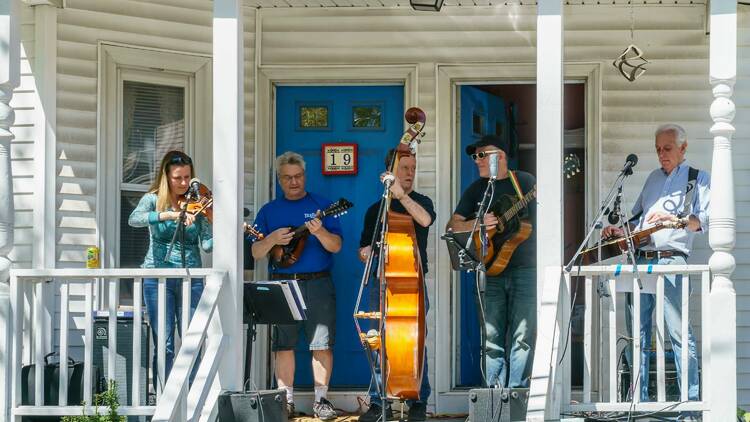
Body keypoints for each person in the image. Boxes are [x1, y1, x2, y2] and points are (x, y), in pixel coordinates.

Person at [602, 124, 709, 404]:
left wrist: (671, 220)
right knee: (637, 335)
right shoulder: (651, 179)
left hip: (672, 261)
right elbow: (637, 221)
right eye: (658, 149)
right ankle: (638, 403)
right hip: (642, 260)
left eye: (668, 148)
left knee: (679, 335)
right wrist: (620, 231)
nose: (662, 154)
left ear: (683, 148)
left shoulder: (697, 179)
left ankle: (689, 406)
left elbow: (701, 223)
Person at [251, 151, 342, 420]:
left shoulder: (322, 206)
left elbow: (336, 246)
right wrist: (272, 240)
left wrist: (320, 231)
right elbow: (256, 252)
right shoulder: (269, 210)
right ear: (280, 180)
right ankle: (285, 401)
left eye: (298, 176)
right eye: (288, 178)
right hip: (283, 284)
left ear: (305, 176)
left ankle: (321, 401)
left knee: (321, 343)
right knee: (283, 344)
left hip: (318, 283)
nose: (294, 182)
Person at [446, 134, 537, 389]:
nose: (477, 161)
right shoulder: (477, 189)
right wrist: (477, 223)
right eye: (475, 156)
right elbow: (452, 226)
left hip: (526, 270)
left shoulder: (525, 182)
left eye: (481, 155)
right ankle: (495, 399)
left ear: (500, 156)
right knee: (491, 337)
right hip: (491, 271)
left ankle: (517, 396)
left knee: (523, 337)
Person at [358, 149, 436, 422]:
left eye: (413, 167)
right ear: (390, 171)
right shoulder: (375, 209)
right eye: (404, 168)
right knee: (377, 341)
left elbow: (425, 220)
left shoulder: (421, 201)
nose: (410, 173)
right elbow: (364, 246)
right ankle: (380, 401)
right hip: (381, 281)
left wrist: (401, 196)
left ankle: (418, 400)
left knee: (414, 343)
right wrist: (366, 252)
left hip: (413, 283)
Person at [128, 150, 212, 392]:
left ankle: (190, 396)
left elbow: (206, 244)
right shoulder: (154, 199)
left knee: (192, 340)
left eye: (187, 177)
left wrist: (226, 229)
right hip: (158, 277)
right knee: (164, 342)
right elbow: (135, 219)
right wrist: (169, 214)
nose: (184, 183)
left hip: (191, 279)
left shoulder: (197, 203)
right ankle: (167, 397)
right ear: (166, 177)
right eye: (178, 178)